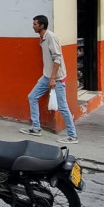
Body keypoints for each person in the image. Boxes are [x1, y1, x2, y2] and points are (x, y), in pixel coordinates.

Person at [19, 15, 79, 144]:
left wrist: (52, 78)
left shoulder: (51, 37)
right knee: (32, 97)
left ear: (41, 25)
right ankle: (36, 127)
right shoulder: (42, 38)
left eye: (35, 24)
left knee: (63, 107)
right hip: (47, 76)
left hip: (56, 78)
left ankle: (72, 136)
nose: (33, 26)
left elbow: (58, 58)